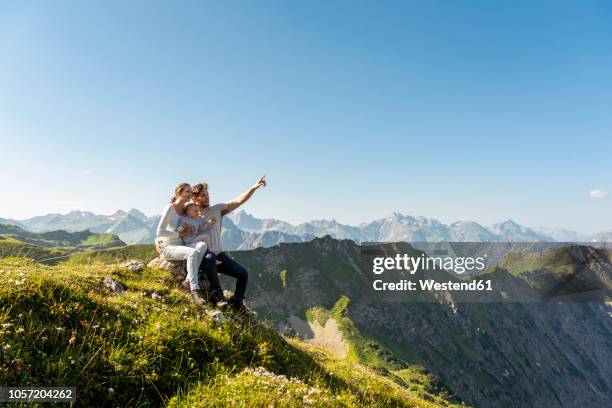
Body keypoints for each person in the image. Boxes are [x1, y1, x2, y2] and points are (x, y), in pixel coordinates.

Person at [191, 176, 266, 312]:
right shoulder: (191, 215)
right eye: (203, 195)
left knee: (242, 273)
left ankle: (236, 302)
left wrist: (253, 188)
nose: (207, 197)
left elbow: (238, 201)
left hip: (218, 254)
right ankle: (218, 297)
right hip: (203, 257)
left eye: (208, 194)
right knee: (209, 258)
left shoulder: (217, 209)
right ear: (195, 199)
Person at [155, 183, 207, 305]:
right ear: (178, 193)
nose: (190, 194)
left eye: (190, 192)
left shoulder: (185, 210)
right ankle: (194, 291)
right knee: (192, 252)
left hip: (182, 245)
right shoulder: (169, 208)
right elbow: (159, 232)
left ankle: (187, 280)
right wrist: (180, 235)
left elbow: (196, 215)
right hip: (168, 247)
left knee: (202, 245)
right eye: (187, 191)